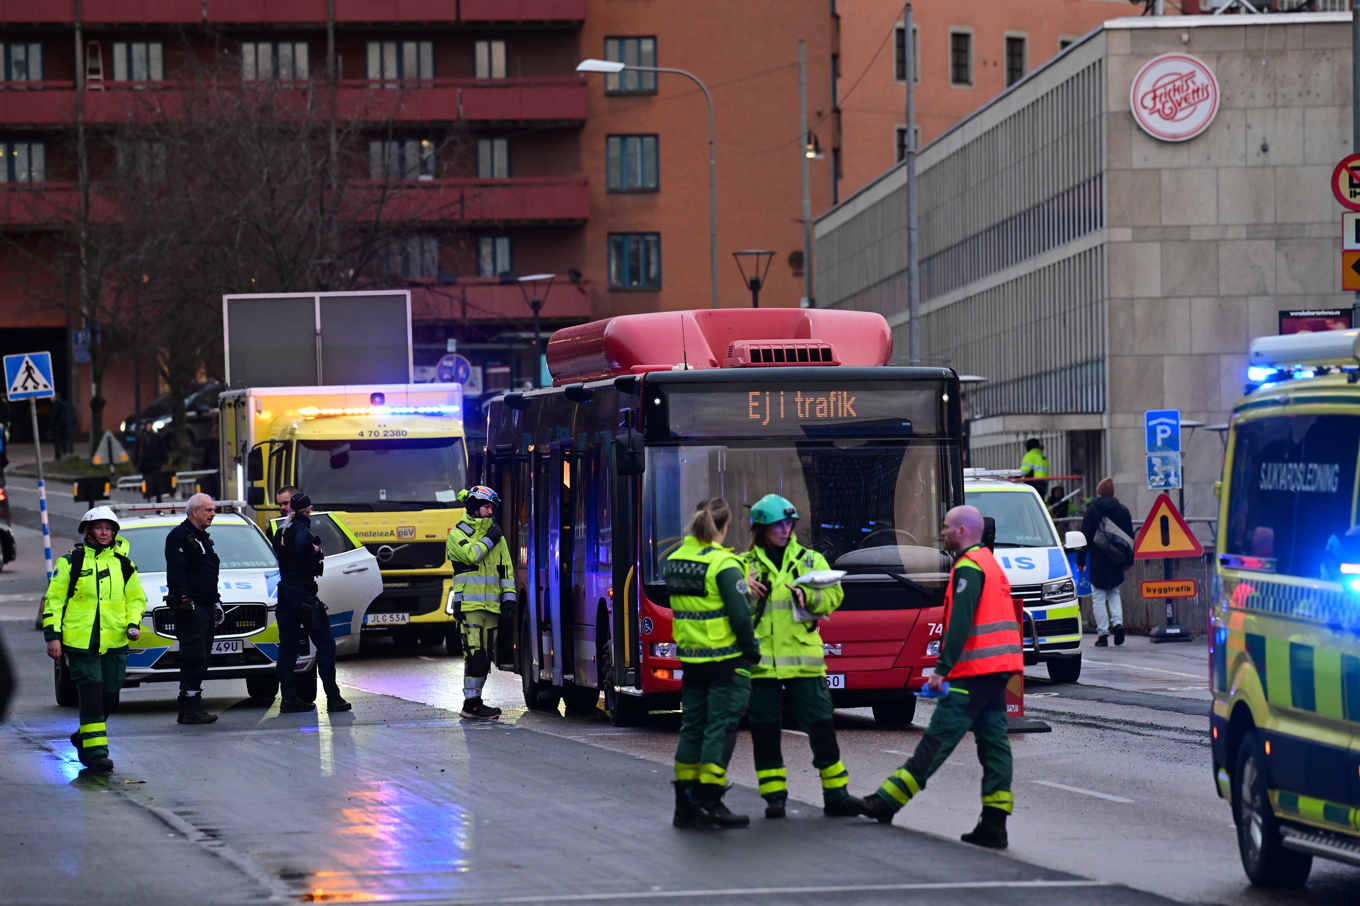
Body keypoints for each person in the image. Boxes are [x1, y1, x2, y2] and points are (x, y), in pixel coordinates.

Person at [859, 505, 1022, 849]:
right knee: (994, 744)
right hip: (998, 670)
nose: (942, 532)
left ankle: (887, 802)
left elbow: (960, 623)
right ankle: (994, 823)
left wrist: (941, 669)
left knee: (937, 739)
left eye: (947, 527)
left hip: (973, 672)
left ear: (962, 531)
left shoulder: (967, 569)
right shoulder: (989, 564)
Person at [740, 494, 865, 819]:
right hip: (763, 664)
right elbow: (728, 608)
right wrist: (742, 589)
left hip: (803, 661)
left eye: (789, 524)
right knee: (765, 732)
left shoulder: (810, 560)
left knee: (821, 725)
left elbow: (835, 595)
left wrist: (808, 595)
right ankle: (774, 798)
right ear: (761, 529)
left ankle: (837, 795)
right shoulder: (743, 566)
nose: (785, 530)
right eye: (778, 525)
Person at [665, 498, 761, 830]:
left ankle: (685, 806)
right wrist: (752, 651)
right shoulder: (724, 564)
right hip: (725, 660)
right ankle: (711, 802)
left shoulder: (674, 561)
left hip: (692, 659)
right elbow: (739, 616)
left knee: (692, 728)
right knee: (720, 729)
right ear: (723, 527)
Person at [42, 506, 147, 771]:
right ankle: (96, 754)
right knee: (90, 695)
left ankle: (83, 737)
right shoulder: (70, 562)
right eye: (99, 527)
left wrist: (133, 622)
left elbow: (136, 599)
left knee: (109, 696)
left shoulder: (124, 565)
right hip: (81, 644)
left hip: (114, 643)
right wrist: (52, 636)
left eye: (109, 528)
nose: (104, 532)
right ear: (88, 530)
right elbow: (54, 601)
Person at [274, 491, 350, 713]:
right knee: (325, 643)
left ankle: (288, 697)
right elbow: (302, 546)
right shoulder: (301, 529)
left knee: (287, 646)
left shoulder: (282, 530)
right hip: (302, 595)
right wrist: (314, 550)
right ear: (308, 509)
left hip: (285, 592)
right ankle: (333, 697)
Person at [446, 486, 515, 720]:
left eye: (492, 508)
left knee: (485, 658)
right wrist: (490, 538)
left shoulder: (498, 537)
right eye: (486, 507)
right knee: (474, 654)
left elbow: (506, 569)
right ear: (474, 508)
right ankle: (471, 703)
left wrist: (509, 600)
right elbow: (472, 555)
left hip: (492, 607)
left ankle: (476, 701)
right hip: (469, 606)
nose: (489, 512)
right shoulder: (457, 534)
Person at [164, 493, 222, 724]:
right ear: (195, 512)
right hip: (192, 607)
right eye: (208, 510)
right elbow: (177, 573)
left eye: (213, 509)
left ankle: (192, 705)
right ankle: (189, 708)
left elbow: (207, 572)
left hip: (206, 605)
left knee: (203, 656)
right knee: (194, 656)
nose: (213, 513)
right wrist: (185, 601)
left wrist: (216, 600)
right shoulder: (179, 537)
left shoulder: (201, 538)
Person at [1080, 477, 1133, 647]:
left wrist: (1081, 559)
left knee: (1098, 596)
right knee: (1114, 592)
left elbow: (1085, 537)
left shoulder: (1092, 511)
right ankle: (1118, 624)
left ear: (1099, 492)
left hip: (1098, 560)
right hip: (1117, 560)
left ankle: (1103, 634)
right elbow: (1130, 539)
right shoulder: (1123, 511)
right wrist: (1128, 560)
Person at [138, 424, 167, 503]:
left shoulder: (156, 437)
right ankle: (149, 496)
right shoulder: (142, 438)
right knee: (148, 482)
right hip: (146, 465)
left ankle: (158, 500)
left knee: (157, 482)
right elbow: (138, 450)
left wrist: (163, 460)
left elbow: (162, 448)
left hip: (155, 464)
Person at [48, 392, 73, 461]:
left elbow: (53, 417)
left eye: (51, 396)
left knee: (57, 444)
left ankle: (58, 458)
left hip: (57, 427)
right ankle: (66, 455)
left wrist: (50, 428)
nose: (50, 398)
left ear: (55, 397)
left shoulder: (55, 405)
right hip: (64, 427)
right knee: (63, 442)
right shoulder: (64, 404)